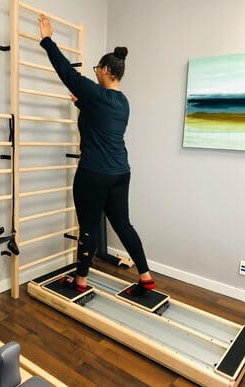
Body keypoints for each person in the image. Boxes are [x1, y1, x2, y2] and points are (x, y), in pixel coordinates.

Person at [39, 15, 155, 296]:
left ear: (105, 69)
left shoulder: (97, 94)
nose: (94, 74)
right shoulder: (122, 102)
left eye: (96, 70)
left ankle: (80, 281)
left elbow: (67, 73)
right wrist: (82, 104)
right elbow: (100, 122)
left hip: (94, 173)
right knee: (123, 225)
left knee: (88, 229)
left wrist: (47, 41)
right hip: (120, 172)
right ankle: (146, 278)